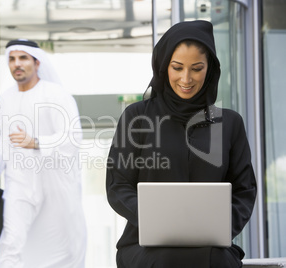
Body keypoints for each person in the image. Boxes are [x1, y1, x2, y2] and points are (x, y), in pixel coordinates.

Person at [105, 20, 257, 268]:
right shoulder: (137, 118)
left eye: (197, 68)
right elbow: (118, 185)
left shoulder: (229, 123)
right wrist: (156, 220)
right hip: (144, 244)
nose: (186, 78)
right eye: (177, 67)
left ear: (210, 69)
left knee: (217, 260)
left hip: (212, 245)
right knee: (165, 260)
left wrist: (220, 225)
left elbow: (244, 189)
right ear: (164, 67)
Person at [0, 39, 87, 268]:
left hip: (54, 186)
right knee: (10, 244)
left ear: (37, 62)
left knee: (58, 249)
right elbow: (4, 138)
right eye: (12, 59)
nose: (16, 64)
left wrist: (36, 142)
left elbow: (73, 137)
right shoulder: (5, 98)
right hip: (19, 183)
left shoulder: (56, 95)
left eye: (23, 58)